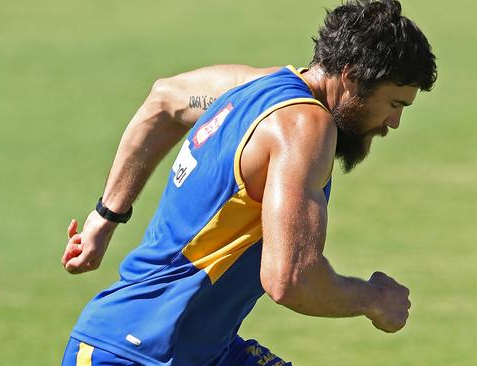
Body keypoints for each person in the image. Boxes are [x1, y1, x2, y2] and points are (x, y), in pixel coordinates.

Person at [60, 0, 437, 365]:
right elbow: (291, 279)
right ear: (351, 76)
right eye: (394, 104)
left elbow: (166, 101)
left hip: (197, 349)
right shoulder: (305, 126)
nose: (394, 123)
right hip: (136, 353)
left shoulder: (251, 87)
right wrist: (373, 299)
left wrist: (106, 216)